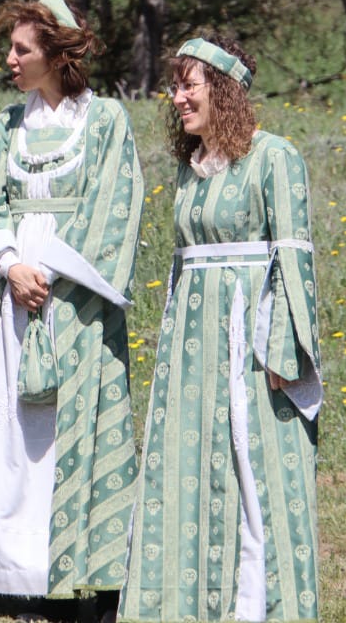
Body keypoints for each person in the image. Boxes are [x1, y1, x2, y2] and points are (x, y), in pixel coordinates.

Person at [0, 0, 143, 615]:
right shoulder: (6, 126)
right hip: (9, 300)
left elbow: (114, 211)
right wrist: (10, 266)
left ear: (56, 53)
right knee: (10, 436)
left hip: (75, 300)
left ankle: (76, 581)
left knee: (66, 437)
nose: (10, 59)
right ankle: (10, 577)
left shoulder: (104, 123)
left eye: (22, 49)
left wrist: (50, 274)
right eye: (11, 48)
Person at [118, 36, 320, 622]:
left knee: (252, 461)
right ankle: (192, 600)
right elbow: (184, 264)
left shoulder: (274, 156)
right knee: (193, 463)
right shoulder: (189, 171)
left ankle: (257, 603)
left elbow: (294, 257)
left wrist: (285, 346)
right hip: (192, 337)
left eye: (189, 85)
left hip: (250, 334)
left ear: (224, 92)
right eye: (174, 86)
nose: (177, 98)